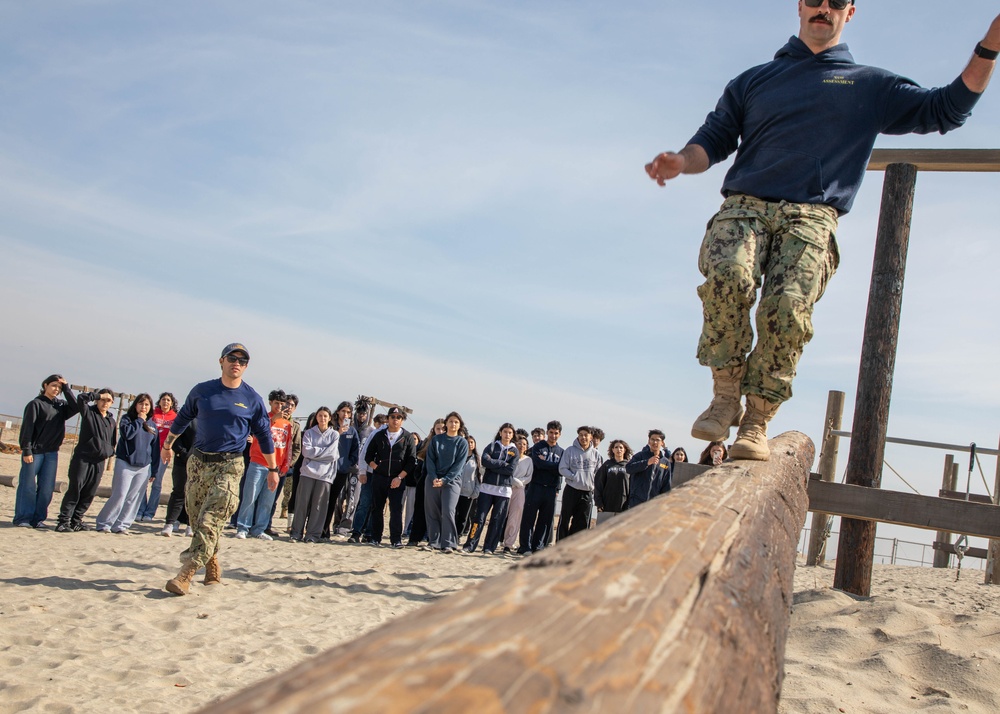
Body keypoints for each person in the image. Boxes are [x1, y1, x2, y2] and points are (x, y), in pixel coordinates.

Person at [645, 3, 1000, 461]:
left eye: (836, 1)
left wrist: (989, 47)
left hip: (812, 216)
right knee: (728, 275)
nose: (823, 8)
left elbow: (947, 109)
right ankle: (726, 392)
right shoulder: (754, 80)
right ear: (800, 5)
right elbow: (711, 141)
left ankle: (756, 420)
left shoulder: (870, 85)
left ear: (849, 12)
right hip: (745, 205)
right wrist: (680, 161)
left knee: (788, 305)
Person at [161, 343, 277, 596]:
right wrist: (168, 444)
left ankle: (186, 574)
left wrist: (273, 468)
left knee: (212, 519)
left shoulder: (252, 399)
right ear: (221, 361)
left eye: (243, 360)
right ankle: (212, 563)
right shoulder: (203, 391)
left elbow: (265, 435)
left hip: (230, 465)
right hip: (199, 463)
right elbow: (181, 419)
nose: (237, 363)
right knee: (197, 518)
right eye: (232, 358)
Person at [14, 374, 80, 528]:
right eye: (53, 386)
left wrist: (67, 388)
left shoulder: (61, 406)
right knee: (28, 486)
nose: (56, 389)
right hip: (34, 452)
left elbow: (76, 407)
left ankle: (38, 519)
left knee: (47, 488)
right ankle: (23, 518)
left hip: (51, 453)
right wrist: (26, 450)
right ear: (45, 385)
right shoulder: (35, 404)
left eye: (59, 387)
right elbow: (27, 429)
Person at [95, 393, 159, 534]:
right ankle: (104, 523)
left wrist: (154, 470)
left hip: (143, 467)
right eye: (141, 403)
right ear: (135, 405)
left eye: (147, 404)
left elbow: (155, 449)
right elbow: (127, 434)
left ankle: (122, 525)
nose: (144, 407)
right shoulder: (127, 420)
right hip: (125, 463)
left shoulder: (153, 426)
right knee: (120, 494)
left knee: (133, 498)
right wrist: (139, 421)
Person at [55, 389, 117, 532]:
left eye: (108, 400)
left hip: (99, 461)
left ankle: (76, 520)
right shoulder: (89, 412)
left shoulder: (111, 421)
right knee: (75, 489)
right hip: (83, 458)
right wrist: (98, 395)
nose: (104, 402)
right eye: (102, 399)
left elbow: (112, 441)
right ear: (97, 400)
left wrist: (109, 452)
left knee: (89, 492)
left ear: (112, 403)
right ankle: (63, 521)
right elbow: (81, 398)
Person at [235, 389, 293, 540]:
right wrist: (274, 418)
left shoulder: (287, 424)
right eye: (276, 403)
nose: (279, 407)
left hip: (276, 467)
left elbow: (288, 446)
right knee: (250, 496)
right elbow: (258, 432)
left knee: (267, 500)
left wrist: (285, 465)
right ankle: (243, 527)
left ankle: (259, 528)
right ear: (270, 403)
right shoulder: (263, 418)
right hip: (258, 462)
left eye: (282, 404)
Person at [363, 406, 416, 548]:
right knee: (377, 508)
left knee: (396, 510)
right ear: (388, 419)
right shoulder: (379, 435)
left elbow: (411, 461)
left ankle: (396, 539)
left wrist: (399, 477)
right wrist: (377, 468)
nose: (395, 420)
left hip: (397, 479)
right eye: (393, 417)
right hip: (379, 478)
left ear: (402, 420)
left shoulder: (407, 437)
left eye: (399, 418)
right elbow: (369, 456)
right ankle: (375, 537)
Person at [464, 423, 518, 555]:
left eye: (510, 433)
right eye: (505, 432)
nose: (507, 435)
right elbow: (485, 461)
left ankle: (489, 547)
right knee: (479, 518)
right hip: (487, 488)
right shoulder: (492, 446)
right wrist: (501, 463)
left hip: (504, 491)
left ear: (513, 435)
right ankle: (470, 545)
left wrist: (495, 465)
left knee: (497, 520)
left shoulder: (514, 450)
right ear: (500, 432)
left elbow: (511, 469)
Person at [291, 407, 340, 543]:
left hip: (325, 475)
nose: (322, 418)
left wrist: (316, 453)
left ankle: (313, 535)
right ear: (316, 417)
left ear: (330, 418)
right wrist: (323, 452)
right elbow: (306, 452)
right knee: (302, 503)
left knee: (319, 506)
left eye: (325, 416)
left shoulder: (334, 435)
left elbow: (332, 455)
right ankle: (296, 533)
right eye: (320, 415)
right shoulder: (308, 433)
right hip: (307, 473)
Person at [423, 412, 470, 553]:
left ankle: (449, 543)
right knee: (432, 511)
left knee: (448, 511)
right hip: (433, 479)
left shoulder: (462, 443)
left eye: (456, 422)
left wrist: (445, 480)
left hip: (452, 481)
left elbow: (459, 466)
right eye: (450, 421)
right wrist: (434, 477)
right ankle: (434, 542)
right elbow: (429, 460)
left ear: (460, 425)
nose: (453, 424)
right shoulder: (436, 440)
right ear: (446, 423)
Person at [518, 420, 563, 555]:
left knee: (545, 520)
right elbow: (538, 464)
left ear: (560, 434)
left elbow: (561, 470)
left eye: (556, 433)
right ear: (547, 432)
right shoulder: (538, 447)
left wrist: (549, 465)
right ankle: (525, 546)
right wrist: (553, 466)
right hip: (535, 487)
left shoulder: (562, 452)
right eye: (551, 432)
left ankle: (538, 546)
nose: (553, 435)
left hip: (551, 489)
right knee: (528, 518)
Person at [557, 426, 604, 540]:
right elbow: (562, 468)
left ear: (591, 437)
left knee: (582, 522)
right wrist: (574, 477)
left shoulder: (596, 454)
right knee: (565, 519)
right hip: (571, 489)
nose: (583, 437)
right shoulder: (570, 450)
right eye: (581, 435)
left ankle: (573, 547)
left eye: (586, 435)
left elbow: (599, 473)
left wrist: (592, 483)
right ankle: (559, 545)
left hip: (587, 492)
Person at [136, 392, 177, 522]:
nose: (165, 402)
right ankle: (140, 509)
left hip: (163, 453)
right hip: (148, 451)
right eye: (163, 399)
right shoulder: (153, 414)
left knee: (157, 483)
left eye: (168, 400)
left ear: (172, 403)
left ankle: (150, 512)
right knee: (143, 481)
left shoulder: (174, 417)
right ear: (159, 401)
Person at [347, 413, 387, 544]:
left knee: (377, 505)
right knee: (364, 503)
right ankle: (356, 532)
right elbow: (364, 452)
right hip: (370, 473)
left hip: (384, 474)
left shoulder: (398, 434)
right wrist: (362, 471)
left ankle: (369, 533)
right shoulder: (376, 433)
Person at [321, 400, 357, 540]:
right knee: (320, 500)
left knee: (333, 501)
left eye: (348, 412)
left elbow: (355, 449)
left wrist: (348, 464)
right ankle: (314, 528)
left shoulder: (352, 430)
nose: (346, 414)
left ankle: (325, 531)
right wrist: (338, 432)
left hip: (341, 471)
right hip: (325, 470)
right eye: (343, 411)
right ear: (337, 412)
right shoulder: (330, 427)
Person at [159, 419, 197, 537]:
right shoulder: (186, 418)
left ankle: (191, 525)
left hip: (199, 463)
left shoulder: (209, 418)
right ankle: (170, 523)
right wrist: (183, 453)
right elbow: (175, 437)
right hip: (182, 461)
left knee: (195, 494)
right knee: (178, 491)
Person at [501, 434, 533, 555]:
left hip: (519, 489)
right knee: (501, 514)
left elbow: (529, 476)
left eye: (524, 444)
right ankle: (495, 540)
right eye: (519, 443)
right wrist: (511, 480)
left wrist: (519, 482)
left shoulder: (528, 460)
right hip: (506, 487)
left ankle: (508, 544)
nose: (521, 446)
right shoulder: (509, 456)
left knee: (515, 516)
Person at [626, 430, 672, 510]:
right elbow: (629, 468)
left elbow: (666, 485)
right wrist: (647, 462)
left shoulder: (665, 462)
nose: (655, 442)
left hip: (654, 504)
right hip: (636, 501)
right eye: (652, 439)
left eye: (657, 440)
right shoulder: (640, 455)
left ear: (662, 443)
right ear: (649, 441)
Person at [594, 439, 632, 525]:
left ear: (624, 450)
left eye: (621, 447)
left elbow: (632, 487)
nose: (619, 449)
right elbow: (598, 484)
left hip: (623, 507)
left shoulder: (629, 466)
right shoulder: (607, 465)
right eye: (616, 447)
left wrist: (629, 505)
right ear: (612, 450)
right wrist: (599, 503)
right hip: (606, 506)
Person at [455, 434, 482, 538]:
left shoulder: (477, 459)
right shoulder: (458, 456)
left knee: (463, 516)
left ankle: (458, 535)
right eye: (467, 442)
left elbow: (479, 476)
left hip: (468, 492)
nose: (470, 444)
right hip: (455, 489)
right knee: (453, 515)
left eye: (471, 442)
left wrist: (476, 492)